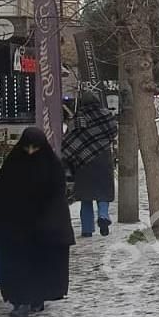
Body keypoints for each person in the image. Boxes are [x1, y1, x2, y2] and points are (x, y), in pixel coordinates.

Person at [0, 127, 75, 317]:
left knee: (40, 265)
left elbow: (57, 198)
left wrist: (51, 222)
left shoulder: (52, 166)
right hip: (16, 228)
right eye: (27, 148)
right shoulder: (13, 164)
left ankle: (37, 297)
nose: (31, 152)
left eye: (35, 148)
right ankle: (21, 301)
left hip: (43, 228)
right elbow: (0, 194)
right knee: (17, 264)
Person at [62, 90, 118, 237]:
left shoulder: (77, 119)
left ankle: (87, 230)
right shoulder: (106, 115)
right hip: (103, 158)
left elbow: (69, 141)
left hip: (83, 162)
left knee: (85, 197)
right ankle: (103, 216)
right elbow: (113, 132)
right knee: (103, 192)